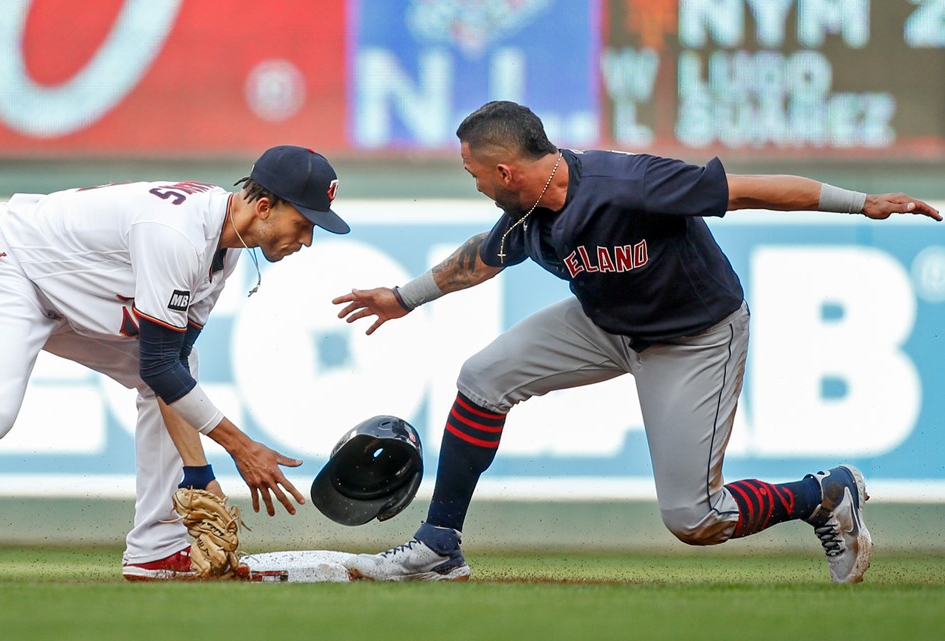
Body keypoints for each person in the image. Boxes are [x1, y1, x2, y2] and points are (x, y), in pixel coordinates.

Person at [333, 101, 941, 583]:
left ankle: (824, 495)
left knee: (694, 519)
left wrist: (862, 204)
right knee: (483, 378)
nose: (477, 187)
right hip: (605, 324)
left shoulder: (630, 183)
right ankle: (439, 544)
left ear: (505, 171)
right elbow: (481, 260)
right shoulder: (524, 210)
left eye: (475, 175)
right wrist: (404, 296)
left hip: (694, 337)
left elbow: (750, 189)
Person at [0, 145, 348, 581]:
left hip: (68, 296)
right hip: (8, 264)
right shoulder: (179, 232)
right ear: (263, 206)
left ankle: (157, 549)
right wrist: (241, 449)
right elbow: (159, 366)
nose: (307, 238)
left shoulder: (223, 251)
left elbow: (170, 369)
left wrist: (199, 474)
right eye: (304, 222)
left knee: (183, 365)